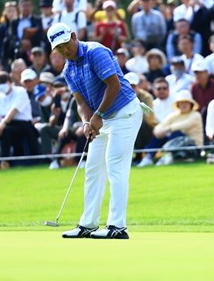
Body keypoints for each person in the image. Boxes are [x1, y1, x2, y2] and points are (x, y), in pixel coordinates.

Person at [48, 22, 143, 239]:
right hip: (102, 116)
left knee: (115, 166)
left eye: (65, 45)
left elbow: (114, 85)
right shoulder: (68, 68)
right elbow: (81, 102)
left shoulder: (95, 52)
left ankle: (117, 226)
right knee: (92, 168)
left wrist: (97, 116)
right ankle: (88, 224)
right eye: (58, 49)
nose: (64, 51)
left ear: (73, 36)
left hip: (124, 112)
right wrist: (86, 123)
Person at [137, 90, 203, 167]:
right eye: (181, 103)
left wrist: (168, 129)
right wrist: (158, 131)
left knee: (176, 133)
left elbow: (185, 124)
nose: (184, 105)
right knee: (161, 135)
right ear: (178, 104)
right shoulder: (174, 115)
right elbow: (161, 125)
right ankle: (148, 157)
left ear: (191, 104)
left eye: (186, 102)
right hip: (177, 145)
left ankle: (168, 155)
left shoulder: (196, 115)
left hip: (192, 147)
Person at [0, 71, 40, 169]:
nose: (1, 85)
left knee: (5, 130)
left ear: (9, 81)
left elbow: (14, 110)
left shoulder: (20, 91)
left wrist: (2, 124)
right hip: (7, 123)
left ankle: (5, 161)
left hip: (24, 125)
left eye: (3, 82)